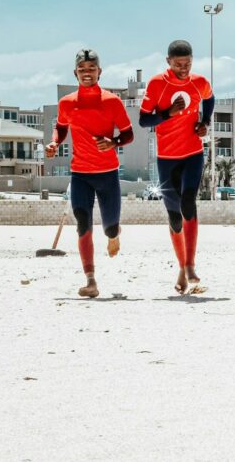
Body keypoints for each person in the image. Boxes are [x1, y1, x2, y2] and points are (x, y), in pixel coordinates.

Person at [46, 49, 134, 298]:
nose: (87, 73)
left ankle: (115, 234)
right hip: (80, 174)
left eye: (91, 69)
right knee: (83, 226)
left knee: (109, 227)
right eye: (82, 69)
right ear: (76, 73)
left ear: (99, 72)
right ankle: (91, 280)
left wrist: (114, 142)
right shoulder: (67, 103)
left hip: (107, 174)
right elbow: (61, 129)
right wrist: (54, 143)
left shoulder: (112, 102)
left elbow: (128, 135)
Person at [138, 40, 214, 294]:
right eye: (178, 64)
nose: (183, 68)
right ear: (168, 61)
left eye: (188, 63)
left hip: (193, 153)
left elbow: (210, 98)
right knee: (173, 217)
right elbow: (143, 119)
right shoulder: (157, 84)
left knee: (188, 203)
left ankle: (191, 265)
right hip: (167, 158)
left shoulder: (199, 82)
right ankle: (181, 267)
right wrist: (168, 113)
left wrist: (204, 122)